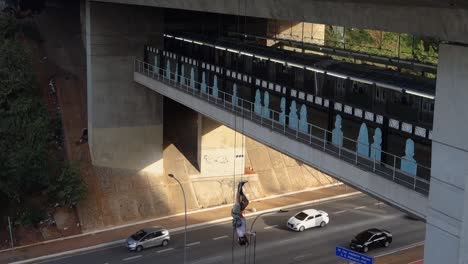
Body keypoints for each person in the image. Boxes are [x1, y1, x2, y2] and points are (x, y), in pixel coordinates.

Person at [231, 180, 249, 246]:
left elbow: (237, 223)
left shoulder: (241, 233)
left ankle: (239, 184)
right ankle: (241, 189)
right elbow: (245, 237)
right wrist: (247, 242)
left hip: (236, 213)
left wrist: (240, 216)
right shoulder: (242, 234)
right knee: (246, 202)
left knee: (238, 200)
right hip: (238, 213)